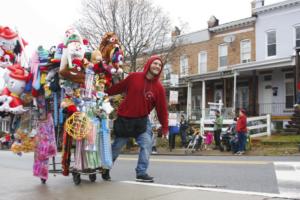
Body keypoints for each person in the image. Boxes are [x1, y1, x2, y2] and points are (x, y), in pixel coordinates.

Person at [104, 56, 168, 183]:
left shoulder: (159, 88)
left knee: (147, 144)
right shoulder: (134, 77)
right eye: (155, 63)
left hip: (142, 121)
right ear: (149, 64)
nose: (157, 66)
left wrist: (165, 127)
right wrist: (104, 92)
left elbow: (162, 110)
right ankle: (105, 168)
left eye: (160, 65)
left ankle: (141, 172)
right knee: (117, 146)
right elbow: (119, 87)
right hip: (125, 118)